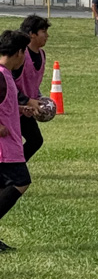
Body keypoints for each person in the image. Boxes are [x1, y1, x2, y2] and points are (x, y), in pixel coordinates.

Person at [0, 30, 41, 252]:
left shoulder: (6, 75)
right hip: (4, 149)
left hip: (9, 146)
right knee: (20, 181)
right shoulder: (1, 74)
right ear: (18, 52)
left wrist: (20, 109)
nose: (24, 57)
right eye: (24, 52)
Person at [13, 14, 49, 162]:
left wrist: (39, 98)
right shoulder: (20, 55)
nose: (47, 36)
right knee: (11, 142)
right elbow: (9, 85)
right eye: (43, 32)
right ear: (32, 34)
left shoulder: (42, 55)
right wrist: (27, 100)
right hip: (12, 107)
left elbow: (33, 82)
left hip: (26, 109)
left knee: (35, 140)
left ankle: (15, 166)